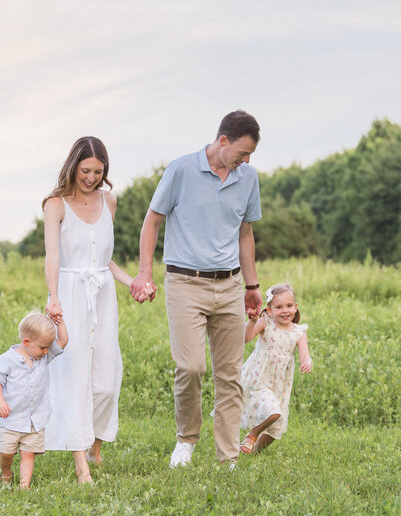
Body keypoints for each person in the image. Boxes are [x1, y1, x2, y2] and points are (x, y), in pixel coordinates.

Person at [131, 110, 264, 468]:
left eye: (250, 155)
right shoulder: (181, 170)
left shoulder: (248, 178)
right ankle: (186, 440)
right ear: (223, 141)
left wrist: (252, 286)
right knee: (190, 368)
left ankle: (228, 457)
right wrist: (145, 273)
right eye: (242, 152)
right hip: (185, 282)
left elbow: (245, 234)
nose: (246, 160)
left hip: (231, 284)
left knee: (229, 374)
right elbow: (152, 220)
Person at [42, 136, 139, 483]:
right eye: (86, 171)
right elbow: (53, 256)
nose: (91, 178)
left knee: (107, 380)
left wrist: (133, 282)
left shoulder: (108, 201)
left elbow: (104, 259)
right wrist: (53, 296)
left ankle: (96, 443)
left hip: (102, 294)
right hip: (69, 293)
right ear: (73, 166)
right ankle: (80, 459)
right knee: (76, 375)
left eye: (98, 172)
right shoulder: (55, 205)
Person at [0, 312, 69, 489]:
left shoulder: (43, 357)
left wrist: (59, 321)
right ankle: (6, 473)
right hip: (11, 418)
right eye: (42, 347)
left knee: (28, 453)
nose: (47, 350)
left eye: (48, 347)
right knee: (6, 452)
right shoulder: (7, 360)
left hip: (35, 419)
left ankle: (24, 486)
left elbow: (63, 340)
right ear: (26, 342)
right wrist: (0, 402)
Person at [239, 283, 312, 454]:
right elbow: (246, 338)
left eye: (289, 306)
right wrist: (252, 321)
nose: (285, 310)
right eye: (279, 307)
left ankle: (255, 452)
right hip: (260, 378)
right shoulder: (266, 323)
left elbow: (305, 354)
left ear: (295, 307)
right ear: (270, 309)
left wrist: (307, 362)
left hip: (281, 385)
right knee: (273, 413)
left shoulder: (299, 332)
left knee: (276, 426)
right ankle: (252, 435)